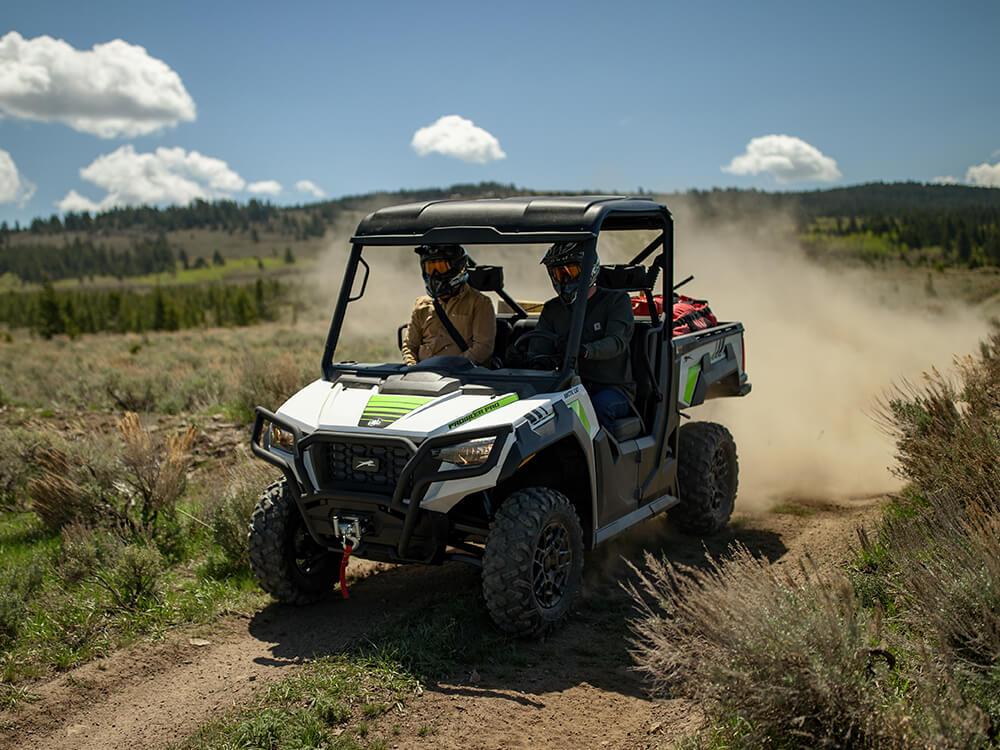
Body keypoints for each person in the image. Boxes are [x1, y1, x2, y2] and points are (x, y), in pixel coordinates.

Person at [529, 241, 635, 429]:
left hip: (610, 388)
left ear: (590, 269)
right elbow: (539, 346)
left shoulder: (616, 301)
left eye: (571, 271)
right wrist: (530, 359)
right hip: (565, 384)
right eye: (558, 273)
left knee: (596, 408)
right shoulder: (552, 309)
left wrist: (586, 350)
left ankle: (599, 457)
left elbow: (617, 342)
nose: (564, 279)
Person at [401, 244, 496, 366]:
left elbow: (482, 348)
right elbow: (410, 346)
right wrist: (412, 368)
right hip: (422, 377)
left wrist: (453, 367)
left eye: (440, 267)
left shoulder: (480, 303)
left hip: (462, 377)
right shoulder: (422, 305)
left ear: (457, 268)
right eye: (430, 268)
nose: (435, 274)